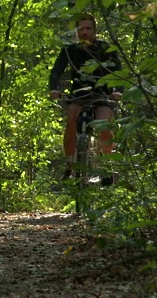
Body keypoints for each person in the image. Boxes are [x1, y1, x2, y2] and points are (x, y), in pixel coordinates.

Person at [49, 14, 122, 186]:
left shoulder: (105, 48)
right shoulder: (70, 50)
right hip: (79, 93)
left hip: (102, 94)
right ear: (76, 32)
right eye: (81, 29)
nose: (85, 32)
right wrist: (54, 89)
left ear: (95, 31)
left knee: (104, 124)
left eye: (88, 28)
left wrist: (117, 91)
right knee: (71, 120)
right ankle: (70, 165)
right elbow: (55, 71)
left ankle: (106, 166)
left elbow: (118, 71)